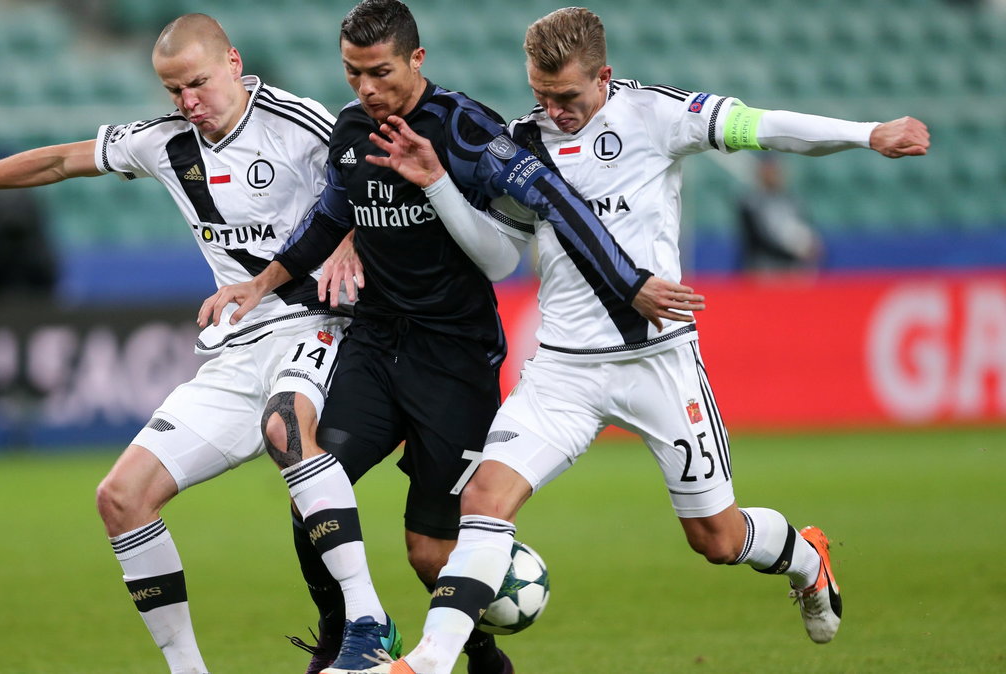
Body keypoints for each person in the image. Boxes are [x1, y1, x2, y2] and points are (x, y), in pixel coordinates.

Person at [344, 7, 931, 673]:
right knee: (482, 502)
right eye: (540, 95)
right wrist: (442, 186)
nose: (553, 111)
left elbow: (761, 126)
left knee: (715, 536)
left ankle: (806, 557)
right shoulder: (520, 143)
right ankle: (427, 661)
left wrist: (867, 133)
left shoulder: (654, 115)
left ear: (604, 77)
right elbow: (499, 257)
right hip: (564, 370)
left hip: (658, 363)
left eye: (567, 97)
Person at [0, 14, 390, 674]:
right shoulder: (164, 142)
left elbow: (375, 181)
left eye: (197, 84)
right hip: (237, 346)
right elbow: (57, 160)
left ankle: (368, 622)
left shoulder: (298, 121)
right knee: (121, 497)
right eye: (172, 91)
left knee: (286, 429)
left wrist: (353, 244)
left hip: (318, 328)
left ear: (233, 64)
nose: (188, 102)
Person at [200, 2, 703, 672]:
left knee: (429, 551)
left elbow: (506, 254)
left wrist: (437, 182)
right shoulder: (350, 132)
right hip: (377, 345)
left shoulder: (466, 129)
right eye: (352, 73)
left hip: (456, 358)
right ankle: (346, 636)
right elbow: (327, 220)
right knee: (313, 482)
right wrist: (259, 284)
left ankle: (484, 656)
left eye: (379, 72)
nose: (365, 89)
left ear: (417, 59)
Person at [737, 154, 823, 273]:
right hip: (764, 268)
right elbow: (758, 239)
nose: (774, 175)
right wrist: (792, 252)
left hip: (791, 268)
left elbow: (804, 227)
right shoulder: (751, 202)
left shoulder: (792, 200)